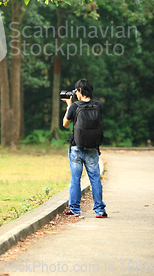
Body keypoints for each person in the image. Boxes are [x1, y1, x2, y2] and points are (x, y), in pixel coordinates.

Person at [62, 78, 107, 218]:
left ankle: (74, 209)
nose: (75, 94)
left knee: (75, 179)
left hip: (76, 148)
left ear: (80, 91)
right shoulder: (98, 105)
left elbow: (65, 124)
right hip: (93, 149)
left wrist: (69, 106)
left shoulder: (75, 106)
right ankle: (100, 209)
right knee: (95, 178)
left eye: (76, 91)